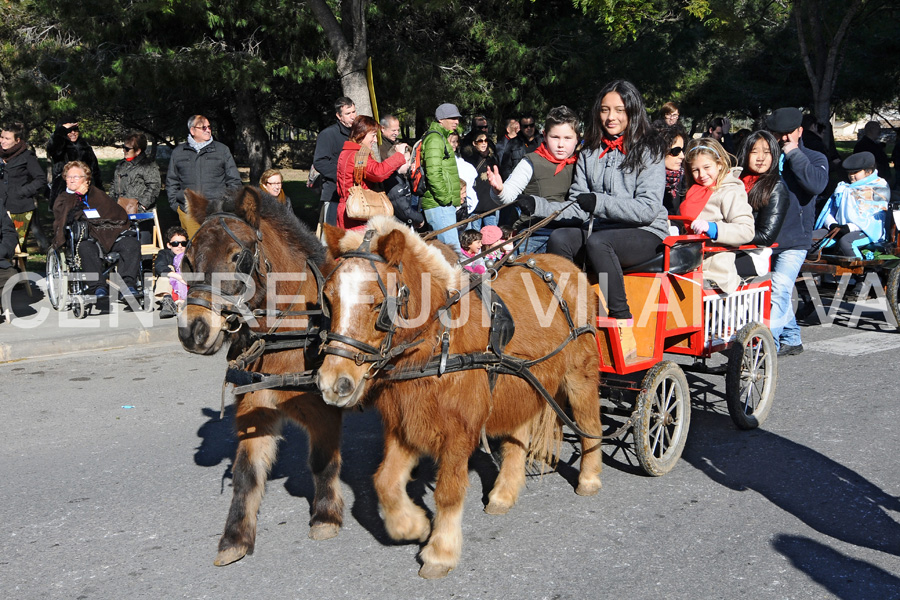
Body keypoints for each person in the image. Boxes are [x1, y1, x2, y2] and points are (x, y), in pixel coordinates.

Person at [547, 81, 668, 361]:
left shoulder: (650, 149)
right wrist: (537, 209)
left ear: (633, 111)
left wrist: (599, 203)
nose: (610, 117)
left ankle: (622, 321)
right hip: (604, 228)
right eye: (604, 110)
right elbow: (578, 203)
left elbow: (648, 209)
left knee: (599, 243)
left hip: (645, 231)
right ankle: (566, 318)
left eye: (618, 110)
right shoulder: (590, 151)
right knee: (560, 238)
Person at [764, 106, 829, 357]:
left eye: (788, 134)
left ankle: (770, 345)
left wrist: (793, 152)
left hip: (797, 238)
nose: (782, 139)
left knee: (780, 287)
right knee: (771, 287)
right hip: (767, 236)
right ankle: (791, 337)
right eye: (778, 134)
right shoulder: (765, 157)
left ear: (799, 131)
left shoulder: (814, 158)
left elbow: (816, 184)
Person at [486, 105, 582, 253]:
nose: (561, 144)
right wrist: (499, 191)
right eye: (555, 137)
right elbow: (509, 194)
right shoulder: (530, 162)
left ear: (577, 138)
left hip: (573, 233)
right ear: (544, 135)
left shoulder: (583, 163)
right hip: (536, 234)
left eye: (568, 138)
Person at [52, 161, 140, 299]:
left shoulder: (97, 193)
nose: (71, 180)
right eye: (69, 177)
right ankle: (98, 286)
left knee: (131, 244)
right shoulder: (63, 197)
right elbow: (64, 218)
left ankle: (128, 285)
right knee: (86, 248)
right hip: (84, 237)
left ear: (86, 179)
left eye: (76, 177)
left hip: (109, 234)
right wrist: (77, 197)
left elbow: (116, 214)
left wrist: (110, 226)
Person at [679, 138, 755, 293]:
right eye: (696, 170)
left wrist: (713, 228)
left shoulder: (731, 191)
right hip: (689, 266)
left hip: (716, 273)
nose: (702, 174)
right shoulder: (694, 192)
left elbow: (747, 230)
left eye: (707, 167)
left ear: (719, 164)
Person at [166, 115, 241, 238]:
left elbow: (234, 181)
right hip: (189, 211)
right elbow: (171, 181)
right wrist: (176, 205)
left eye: (209, 127)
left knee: (217, 250)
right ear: (192, 130)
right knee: (194, 250)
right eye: (203, 127)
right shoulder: (178, 152)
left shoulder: (222, 150)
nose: (208, 130)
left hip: (217, 211)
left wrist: (227, 205)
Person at [335, 116, 408, 231]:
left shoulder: (346, 152)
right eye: (373, 135)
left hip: (348, 210)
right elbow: (378, 173)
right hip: (357, 213)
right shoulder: (358, 155)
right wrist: (399, 155)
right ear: (361, 134)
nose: (375, 140)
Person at [812, 152, 890, 258]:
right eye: (849, 172)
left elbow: (874, 219)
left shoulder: (879, 187)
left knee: (846, 243)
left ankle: (859, 271)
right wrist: (832, 224)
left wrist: (849, 228)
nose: (851, 175)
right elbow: (830, 211)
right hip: (838, 228)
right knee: (808, 239)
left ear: (869, 171)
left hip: (866, 231)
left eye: (856, 172)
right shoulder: (844, 188)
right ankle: (819, 269)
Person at [734, 131, 788, 277]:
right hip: (727, 249)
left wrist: (726, 234)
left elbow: (766, 236)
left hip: (753, 254)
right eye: (754, 151)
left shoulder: (776, 187)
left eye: (767, 152)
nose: (761, 158)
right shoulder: (734, 181)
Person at [420, 103, 463, 252]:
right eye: (452, 118)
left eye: (457, 118)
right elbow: (433, 173)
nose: (456, 121)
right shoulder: (435, 139)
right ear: (441, 119)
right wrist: (446, 198)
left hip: (441, 205)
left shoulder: (440, 138)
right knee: (451, 254)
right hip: (439, 205)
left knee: (447, 253)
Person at [0, 123, 45, 252]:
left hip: (19, 208)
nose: (2, 141)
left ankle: (18, 272)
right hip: (0, 206)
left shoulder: (27, 157)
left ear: (17, 140)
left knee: (16, 248)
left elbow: (40, 179)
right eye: (1, 137)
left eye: (7, 138)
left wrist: (22, 192)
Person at [313, 97, 357, 228]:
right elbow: (320, 162)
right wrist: (345, 175)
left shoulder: (358, 133)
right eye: (348, 114)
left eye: (354, 112)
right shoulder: (328, 134)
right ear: (339, 116)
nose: (353, 116)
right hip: (334, 196)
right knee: (332, 240)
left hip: (356, 197)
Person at [47, 117, 102, 205]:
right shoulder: (60, 146)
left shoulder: (84, 145)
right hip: (64, 192)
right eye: (69, 130)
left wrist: (99, 190)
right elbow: (53, 149)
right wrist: (61, 129)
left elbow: (95, 169)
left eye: (75, 130)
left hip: (85, 191)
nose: (73, 133)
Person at [108, 132, 161, 213]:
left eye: (127, 149)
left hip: (140, 215)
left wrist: (142, 206)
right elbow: (114, 184)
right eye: (123, 147)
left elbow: (154, 187)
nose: (124, 150)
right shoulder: (121, 164)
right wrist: (111, 201)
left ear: (138, 151)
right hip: (119, 211)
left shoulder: (148, 165)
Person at [464, 131, 500, 230]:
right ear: (474, 143)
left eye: (486, 140)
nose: (484, 143)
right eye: (480, 141)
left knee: (492, 234)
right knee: (475, 236)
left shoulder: (493, 158)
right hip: (475, 205)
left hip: (490, 205)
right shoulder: (469, 159)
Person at [652, 121, 688, 214]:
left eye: (682, 150)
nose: (682, 156)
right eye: (676, 151)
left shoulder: (683, 179)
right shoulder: (645, 180)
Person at [153, 226, 189, 319]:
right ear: (169, 245)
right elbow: (159, 267)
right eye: (176, 243)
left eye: (183, 243)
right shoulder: (164, 253)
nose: (180, 246)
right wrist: (178, 277)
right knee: (167, 270)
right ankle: (168, 302)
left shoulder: (189, 255)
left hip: (187, 284)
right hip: (170, 286)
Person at [500, 114, 543, 179]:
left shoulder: (543, 141)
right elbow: (505, 168)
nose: (529, 128)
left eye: (531, 125)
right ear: (521, 127)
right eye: (525, 126)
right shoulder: (513, 143)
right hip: (520, 183)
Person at [448, 132, 479, 221]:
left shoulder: (462, 163)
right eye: (453, 141)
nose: (455, 144)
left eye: (456, 141)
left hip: (463, 207)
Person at [853, 121, 892, 186]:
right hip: (872, 180)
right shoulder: (863, 145)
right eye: (877, 128)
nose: (879, 131)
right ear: (870, 130)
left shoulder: (874, 144)